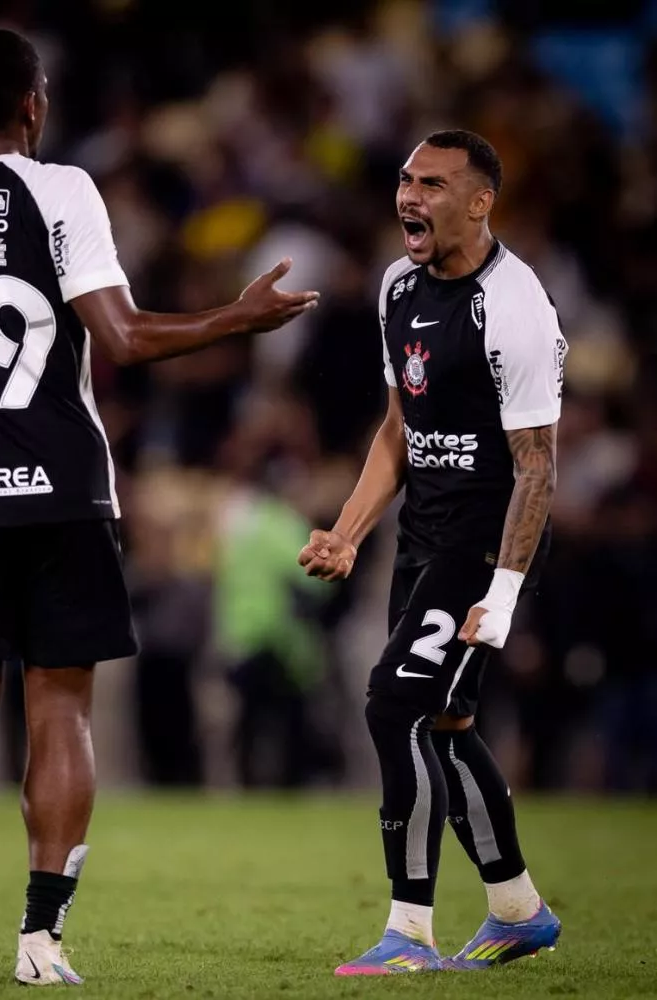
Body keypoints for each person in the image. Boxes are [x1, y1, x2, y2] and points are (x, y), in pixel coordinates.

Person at [0, 27, 319, 987]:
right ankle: (40, 940)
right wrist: (235, 318)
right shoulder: (61, 188)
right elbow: (121, 334)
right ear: (33, 103)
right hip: (65, 489)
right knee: (61, 706)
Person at [299, 130, 567, 975]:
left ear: (481, 201)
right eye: (406, 179)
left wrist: (507, 594)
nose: (410, 196)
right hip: (421, 542)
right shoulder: (397, 287)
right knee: (444, 726)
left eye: (435, 184)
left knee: (392, 707)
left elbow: (537, 467)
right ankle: (518, 910)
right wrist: (348, 531)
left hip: (483, 547)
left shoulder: (514, 307)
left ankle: (408, 934)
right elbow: (397, 434)